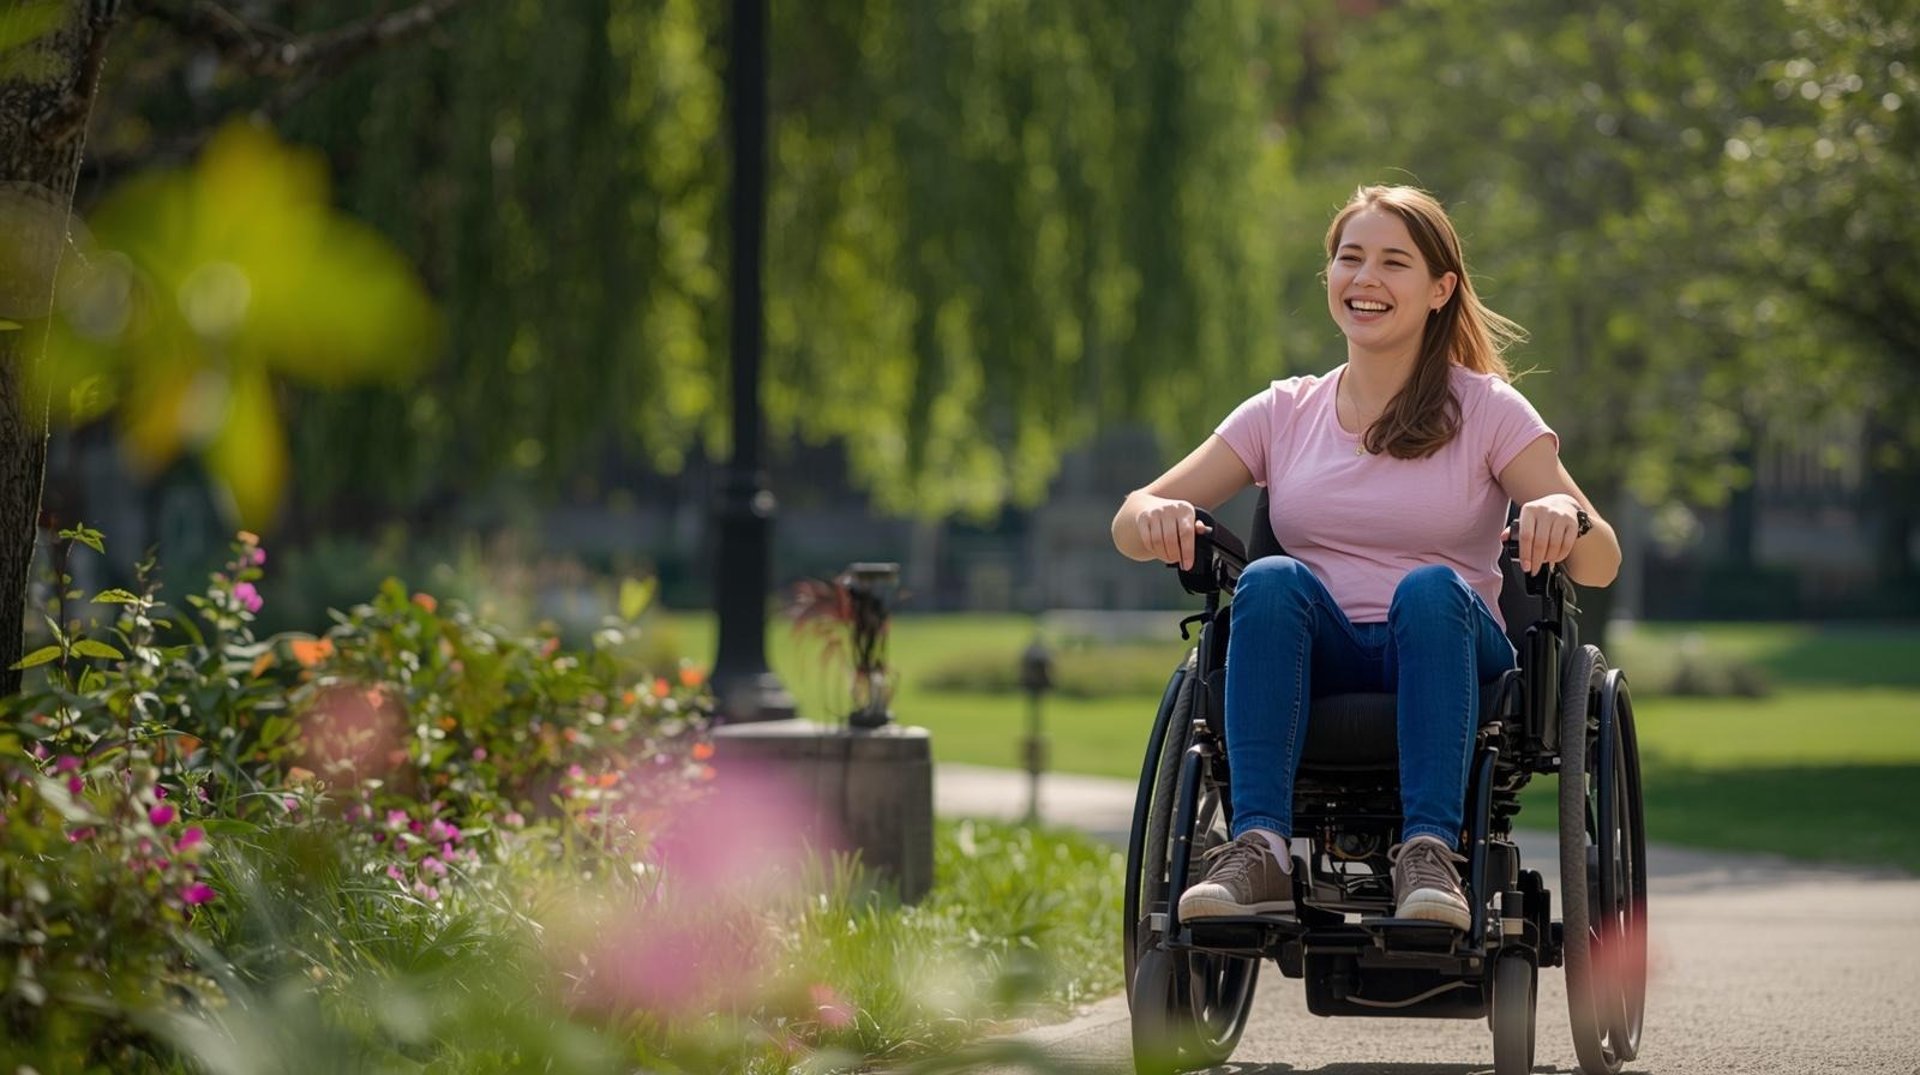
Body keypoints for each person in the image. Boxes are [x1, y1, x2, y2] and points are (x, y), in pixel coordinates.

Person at [1109, 185, 1621, 929]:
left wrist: (1563, 516)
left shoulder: (1487, 409)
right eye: (1350, 258)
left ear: (1440, 289)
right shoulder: (1284, 412)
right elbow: (1130, 518)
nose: (1365, 279)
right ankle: (1259, 848)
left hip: (1449, 645)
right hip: (1319, 653)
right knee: (1270, 579)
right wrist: (1153, 515)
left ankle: (1431, 853)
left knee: (1430, 589)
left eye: (1393, 262)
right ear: (1330, 277)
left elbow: (1602, 561)